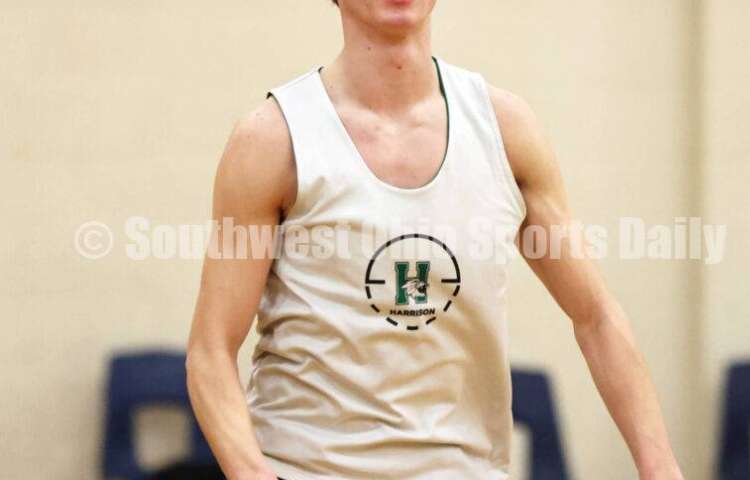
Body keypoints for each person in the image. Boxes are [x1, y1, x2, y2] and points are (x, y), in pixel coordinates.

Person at [186, 1, 685, 479]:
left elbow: (595, 316)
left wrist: (660, 465)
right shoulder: (271, 139)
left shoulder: (506, 129)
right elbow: (211, 350)